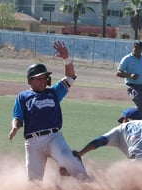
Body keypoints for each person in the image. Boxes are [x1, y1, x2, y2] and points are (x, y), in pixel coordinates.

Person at [8, 41, 88, 182]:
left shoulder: (54, 92)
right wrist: (15, 127)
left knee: (70, 160)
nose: (43, 81)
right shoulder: (23, 96)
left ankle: (90, 187)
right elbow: (18, 116)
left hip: (54, 138)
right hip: (33, 142)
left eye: (45, 77)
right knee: (34, 182)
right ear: (30, 80)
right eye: (39, 78)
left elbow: (70, 77)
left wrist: (66, 59)